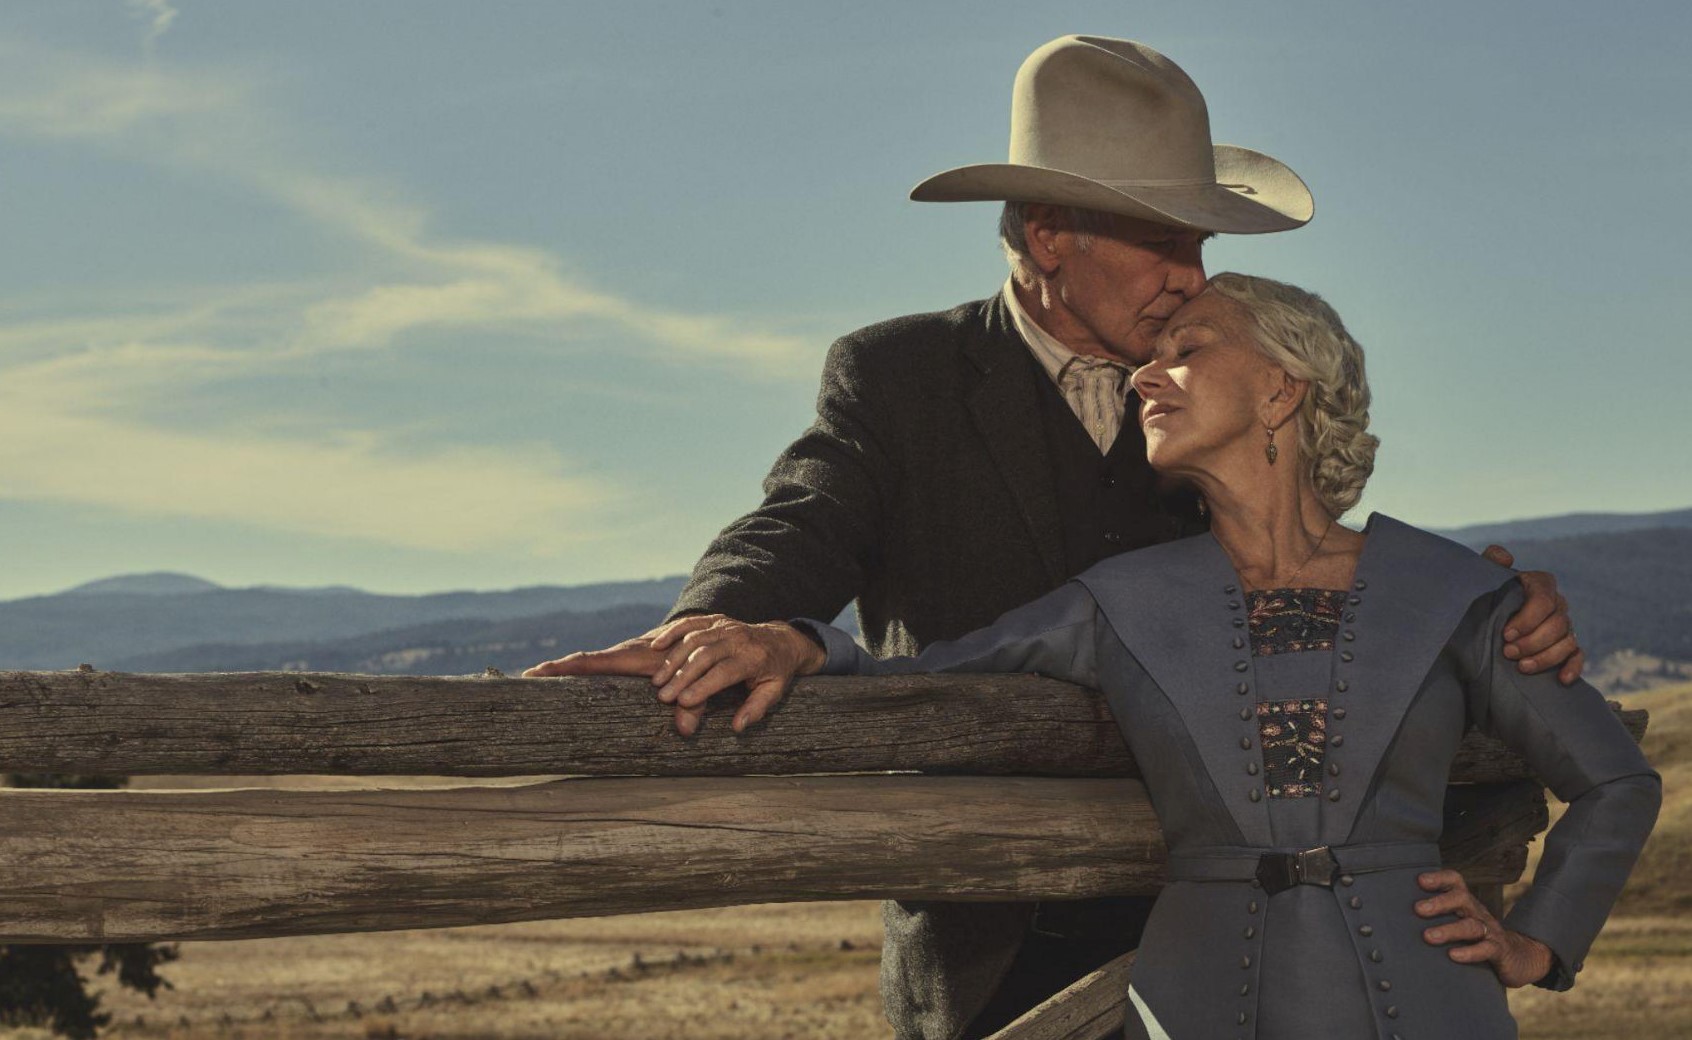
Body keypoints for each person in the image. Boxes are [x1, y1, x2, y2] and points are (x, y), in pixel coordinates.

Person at [527, 35, 1585, 1040]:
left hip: (1228, 932)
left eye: (1200, 240)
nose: (1193, 270)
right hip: (993, 938)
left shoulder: (1204, 384)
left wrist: (1479, 605)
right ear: (1047, 235)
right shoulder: (901, 378)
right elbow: (803, 515)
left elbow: (1300, 547)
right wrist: (727, 619)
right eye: (1164, 237)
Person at [609, 273, 1661, 1039]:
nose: (1147, 373)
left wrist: (1540, 940)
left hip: (1430, 1003)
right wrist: (788, 636)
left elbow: (1615, 778)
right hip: (1191, 998)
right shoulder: (1118, 601)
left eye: (1188, 348)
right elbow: (911, 677)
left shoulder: (1454, 589)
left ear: (1283, 390)